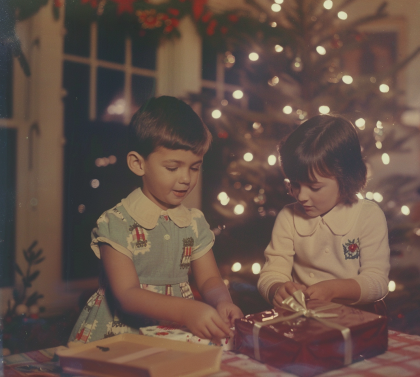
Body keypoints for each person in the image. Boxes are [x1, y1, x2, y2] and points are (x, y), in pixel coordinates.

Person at [69, 96, 243, 344]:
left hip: (175, 329)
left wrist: (222, 301)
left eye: (194, 167)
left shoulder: (194, 222)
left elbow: (209, 279)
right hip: (120, 334)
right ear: (138, 164)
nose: (186, 178)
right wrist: (186, 310)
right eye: (173, 168)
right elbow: (127, 295)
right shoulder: (116, 222)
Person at [258, 114, 390, 307]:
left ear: (345, 178)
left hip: (358, 321)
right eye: (295, 184)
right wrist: (276, 288)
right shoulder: (289, 217)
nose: (301, 196)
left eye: (314, 187)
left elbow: (378, 282)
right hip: (304, 321)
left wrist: (334, 290)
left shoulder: (368, 216)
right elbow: (271, 273)